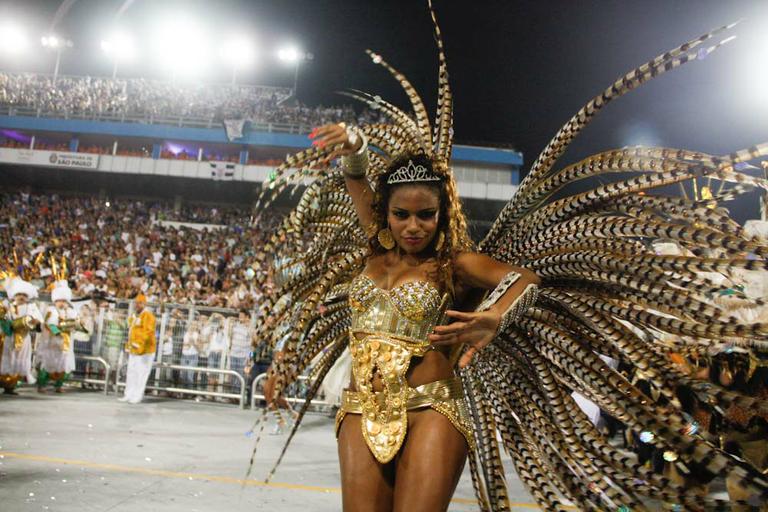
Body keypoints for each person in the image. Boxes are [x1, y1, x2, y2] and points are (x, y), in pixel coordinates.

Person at [250, 5, 768, 510]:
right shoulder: (371, 249)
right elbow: (356, 175)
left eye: (426, 215)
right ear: (385, 215)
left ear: (441, 213)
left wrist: (492, 317)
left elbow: (525, 276)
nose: (413, 226)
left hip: (433, 405)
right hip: (361, 408)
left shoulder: (453, 264)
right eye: (402, 215)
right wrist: (356, 141)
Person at [37, 280, 88, 393]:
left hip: (66, 344)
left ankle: (58, 386)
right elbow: (48, 324)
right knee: (48, 363)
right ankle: (42, 385)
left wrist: (79, 323)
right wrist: (58, 331)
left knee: (64, 364)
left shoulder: (71, 311)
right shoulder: (51, 310)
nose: (62, 303)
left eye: (64, 301)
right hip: (52, 343)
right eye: (59, 300)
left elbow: (76, 323)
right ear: (55, 300)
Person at [0, 276, 42, 394]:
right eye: (19, 294)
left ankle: (11, 386)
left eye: (24, 295)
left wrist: (35, 322)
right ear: (14, 295)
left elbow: (39, 321)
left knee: (19, 361)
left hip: (23, 339)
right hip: (9, 338)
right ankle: (4, 383)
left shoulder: (31, 307)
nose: (22, 297)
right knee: (7, 360)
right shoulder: (7, 306)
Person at [119, 293, 156, 404]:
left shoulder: (148, 315)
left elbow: (148, 332)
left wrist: (140, 344)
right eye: (136, 303)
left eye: (139, 303)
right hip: (134, 349)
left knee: (141, 373)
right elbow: (131, 329)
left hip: (145, 351)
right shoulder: (136, 315)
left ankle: (137, 396)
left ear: (144, 304)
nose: (137, 305)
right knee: (131, 372)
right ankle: (128, 394)